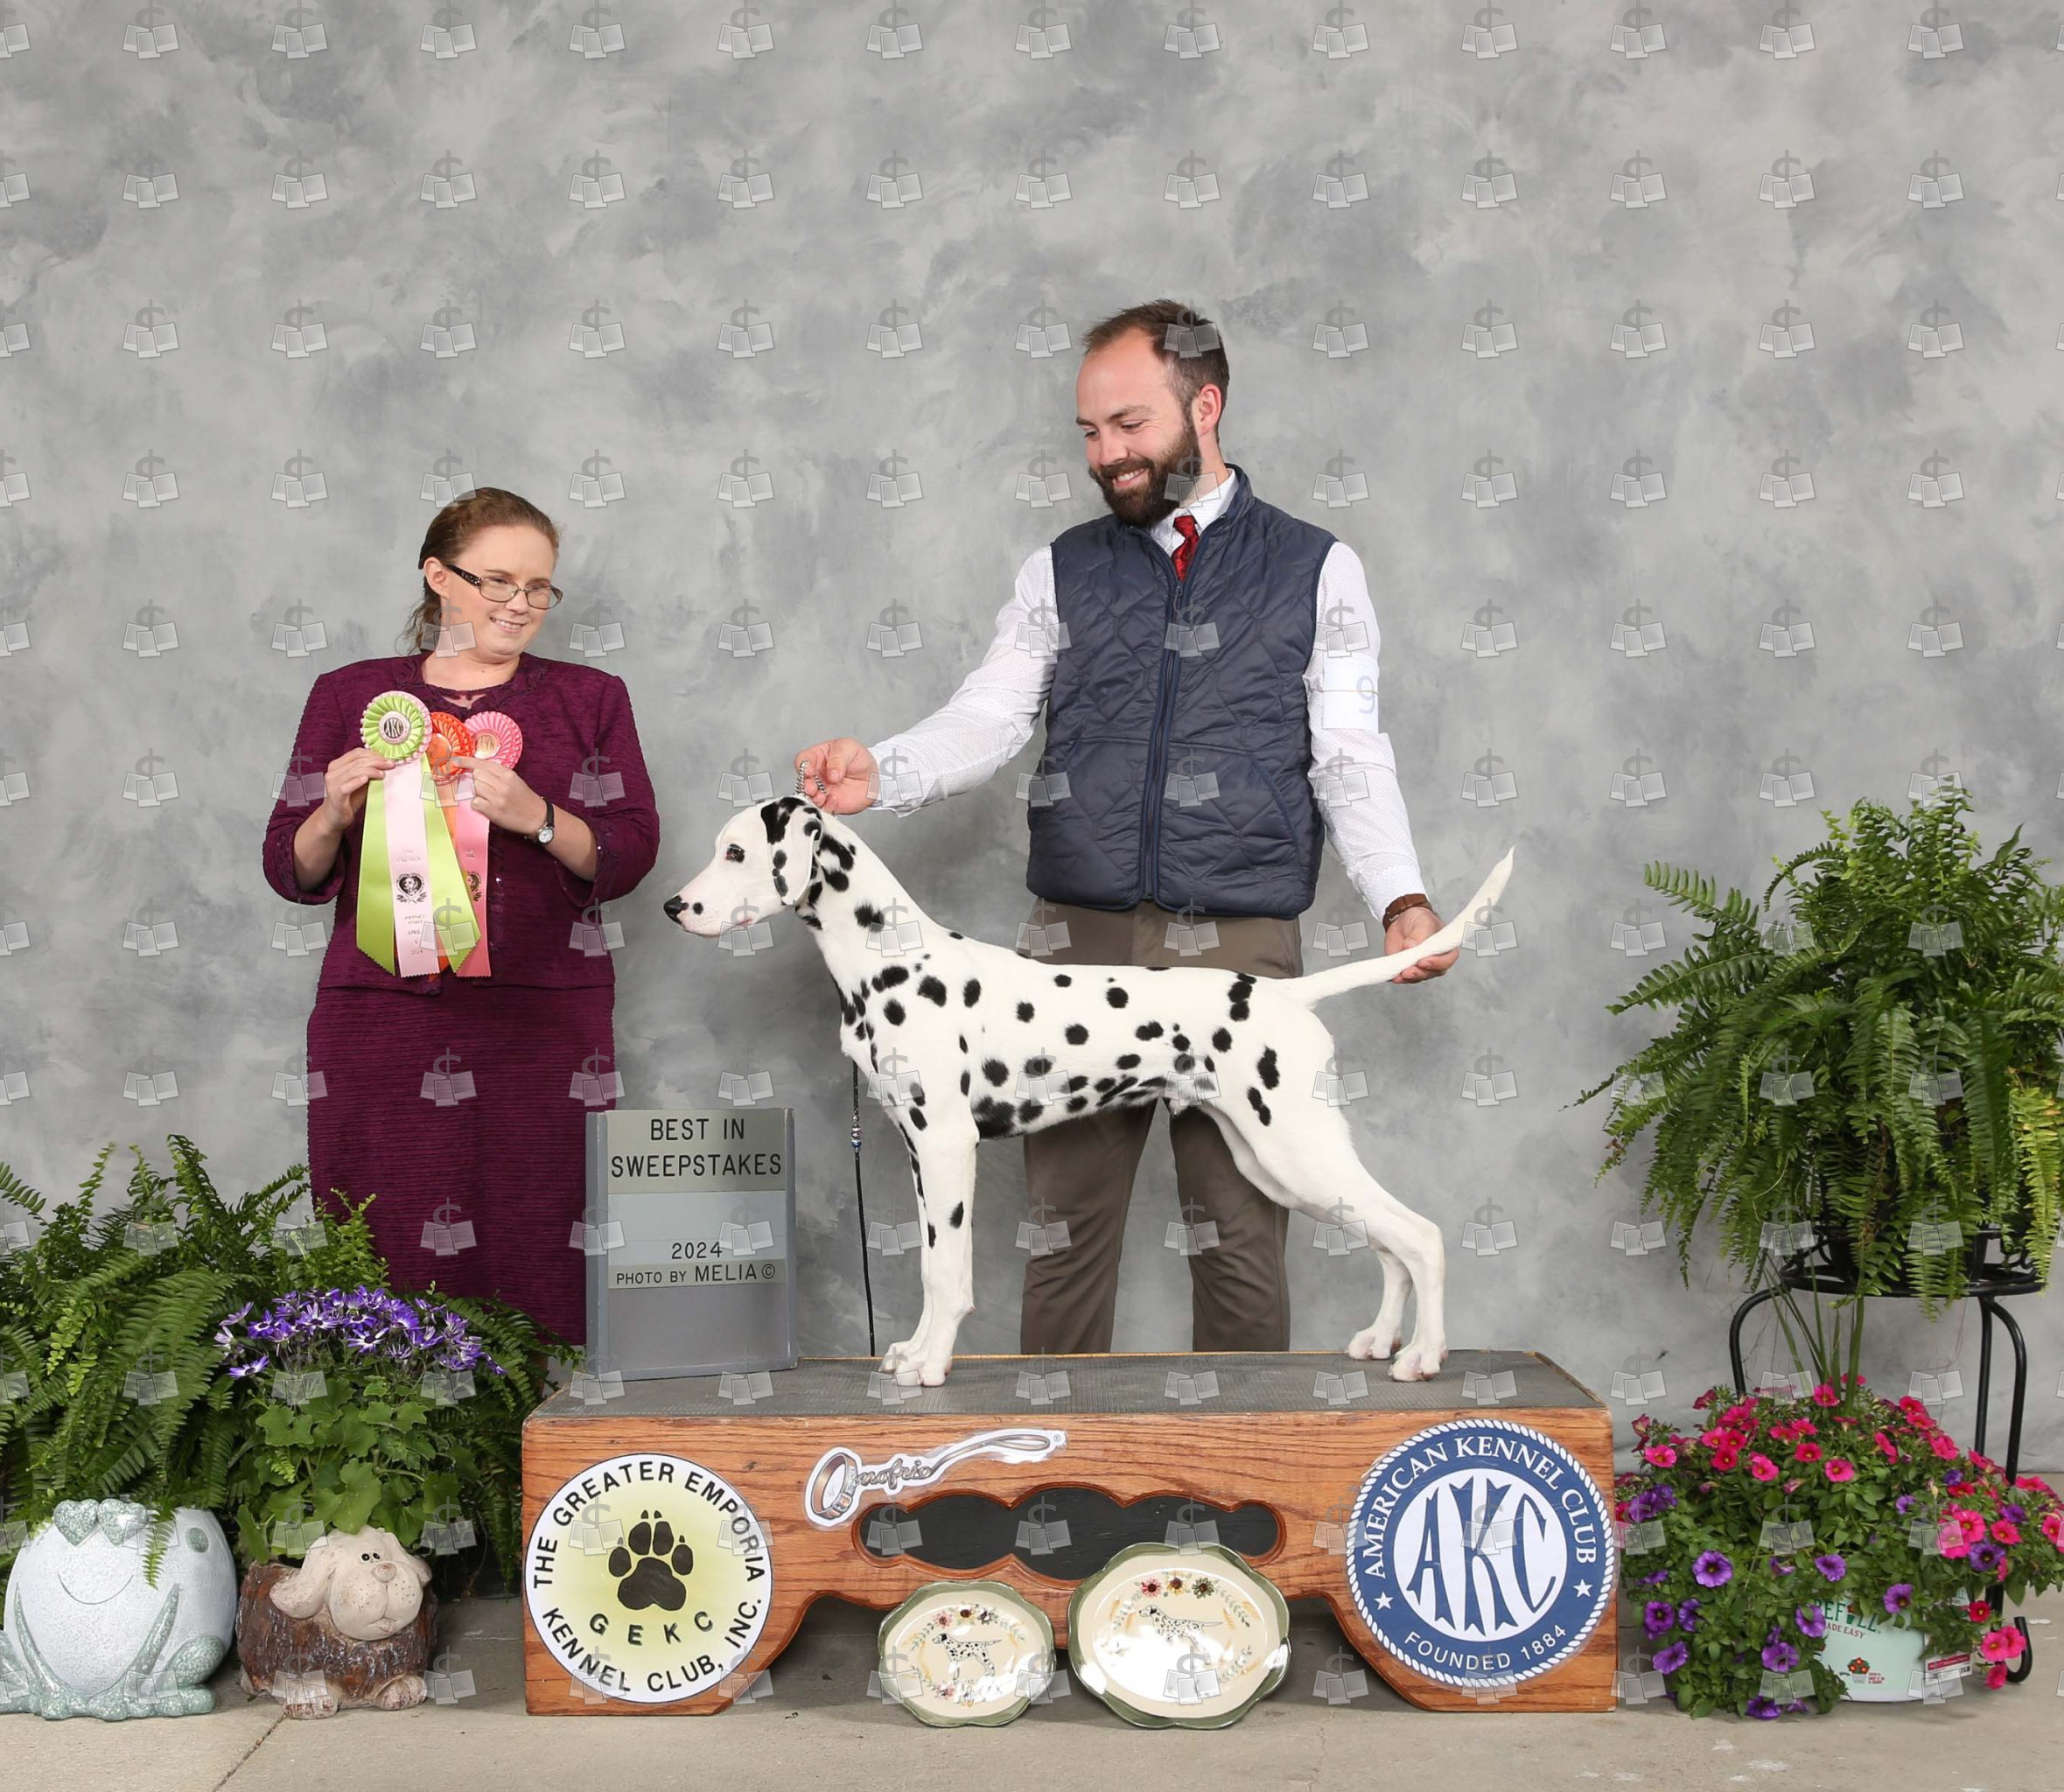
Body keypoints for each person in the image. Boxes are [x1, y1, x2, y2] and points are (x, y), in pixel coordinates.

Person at [794, 299, 1454, 1358]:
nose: (1107, 455)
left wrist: (1401, 895)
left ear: (1206, 405)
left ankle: (1241, 1463)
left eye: (1130, 425)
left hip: (1237, 940)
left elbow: (1348, 751)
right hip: (1073, 943)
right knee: (1061, 1242)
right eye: (1090, 432)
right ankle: (1053, 1462)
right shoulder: (1058, 568)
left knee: (1240, 1241)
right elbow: (990, 714)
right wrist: (887, 768)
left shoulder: (1317, 566)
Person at [261, 486, 658, 1346]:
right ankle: (394, 1420)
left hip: (544, 1021)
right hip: (382, 1018)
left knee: (541, 1245)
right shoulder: (349, 695)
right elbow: (289, 868)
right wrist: (330, 810)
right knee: (380, 1245)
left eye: (539, 586)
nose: (521, 604)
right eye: (498, 581)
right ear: (438, 576)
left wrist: (539, 818)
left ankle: (531, 1421)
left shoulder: (592, 697)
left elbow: (630, 851)